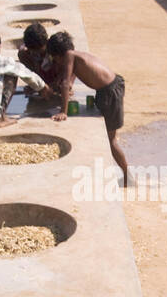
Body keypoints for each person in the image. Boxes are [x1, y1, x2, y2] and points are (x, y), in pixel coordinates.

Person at [46, 30, 128, 183]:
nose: (56, 62)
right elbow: (69, 81)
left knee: (111, 141)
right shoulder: (76, 55)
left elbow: (65, 84)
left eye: (55, 59)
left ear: (58, 55)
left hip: (109, 92)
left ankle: (127, 177)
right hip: (111, 87)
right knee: (105, 135)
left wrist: (63, 111)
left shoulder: (69, 56)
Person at [17, 22, 56, 89]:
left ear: (46, 42)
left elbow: (71, 62)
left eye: (39, 50)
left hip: (55, 78)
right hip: (40, 78)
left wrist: (63, 83)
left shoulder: (54, 48)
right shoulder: (24, 53)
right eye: (33, 50)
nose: (36, 52)